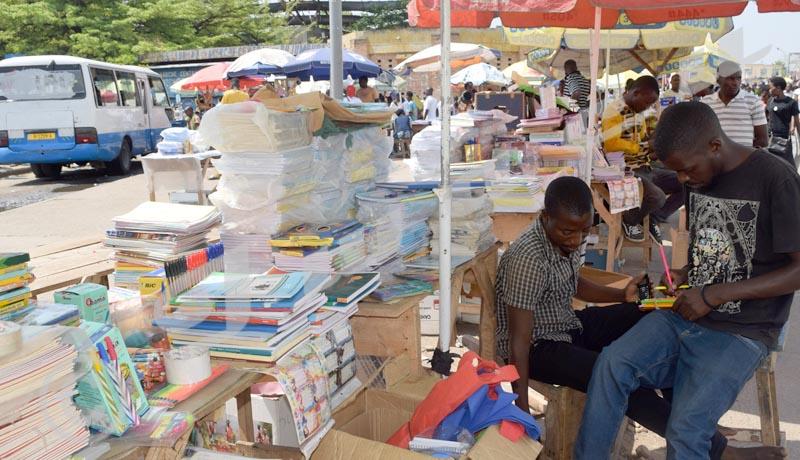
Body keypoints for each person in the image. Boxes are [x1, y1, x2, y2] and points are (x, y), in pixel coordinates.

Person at [575, 101, 798, 460]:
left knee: (687, 430)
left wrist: (714, 294)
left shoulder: (776, 178)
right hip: (686, 313)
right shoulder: (699, 175)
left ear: (714, 145)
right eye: (676, 172)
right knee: (611, 365)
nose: (682, 181)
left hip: (743, 329)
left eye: (685, 170)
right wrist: (684, 274)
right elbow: (714, 249)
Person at [602, 75, 683, 242]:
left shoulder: (640, 112)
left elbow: (644, 138)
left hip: (645, 166)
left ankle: (655, 217)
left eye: (650, 104)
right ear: (636, 93)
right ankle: (629, 221)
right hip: (627, 171)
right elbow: (611, 144)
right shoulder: (614, 110)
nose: (647, 106)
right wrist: (643, 146)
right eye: (646, 102)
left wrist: (657, 140)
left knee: (687, 182)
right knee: (657, 197)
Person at [701, 61, 768, 149]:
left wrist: (740, 152)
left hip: (745, 160)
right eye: (730, 78)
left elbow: (763, 140)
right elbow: (701, 135)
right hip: (715, 160)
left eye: (738, 78)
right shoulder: (706, 103)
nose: (736, 83)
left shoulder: (753, 101)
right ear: (718, 79)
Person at [767, 76, 799, 165]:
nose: (769, 90)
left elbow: (797, 120)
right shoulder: (770, 101)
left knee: (787, 164)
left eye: (770, 87)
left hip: (784, 139)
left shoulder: (791, 102)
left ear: (778, 88)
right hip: (771, 137)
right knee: (772, 165)